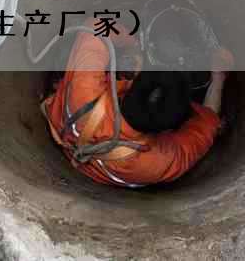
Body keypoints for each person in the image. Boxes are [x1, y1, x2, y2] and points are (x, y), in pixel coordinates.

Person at [40, 18, 234, 188]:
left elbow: (95, 26)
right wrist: (218, 76)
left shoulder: (84, 91)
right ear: (170, 129)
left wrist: (132, 45)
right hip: (116, 165)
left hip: (69, 124)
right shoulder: (154, 162)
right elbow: (209, 123)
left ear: (135, 81)